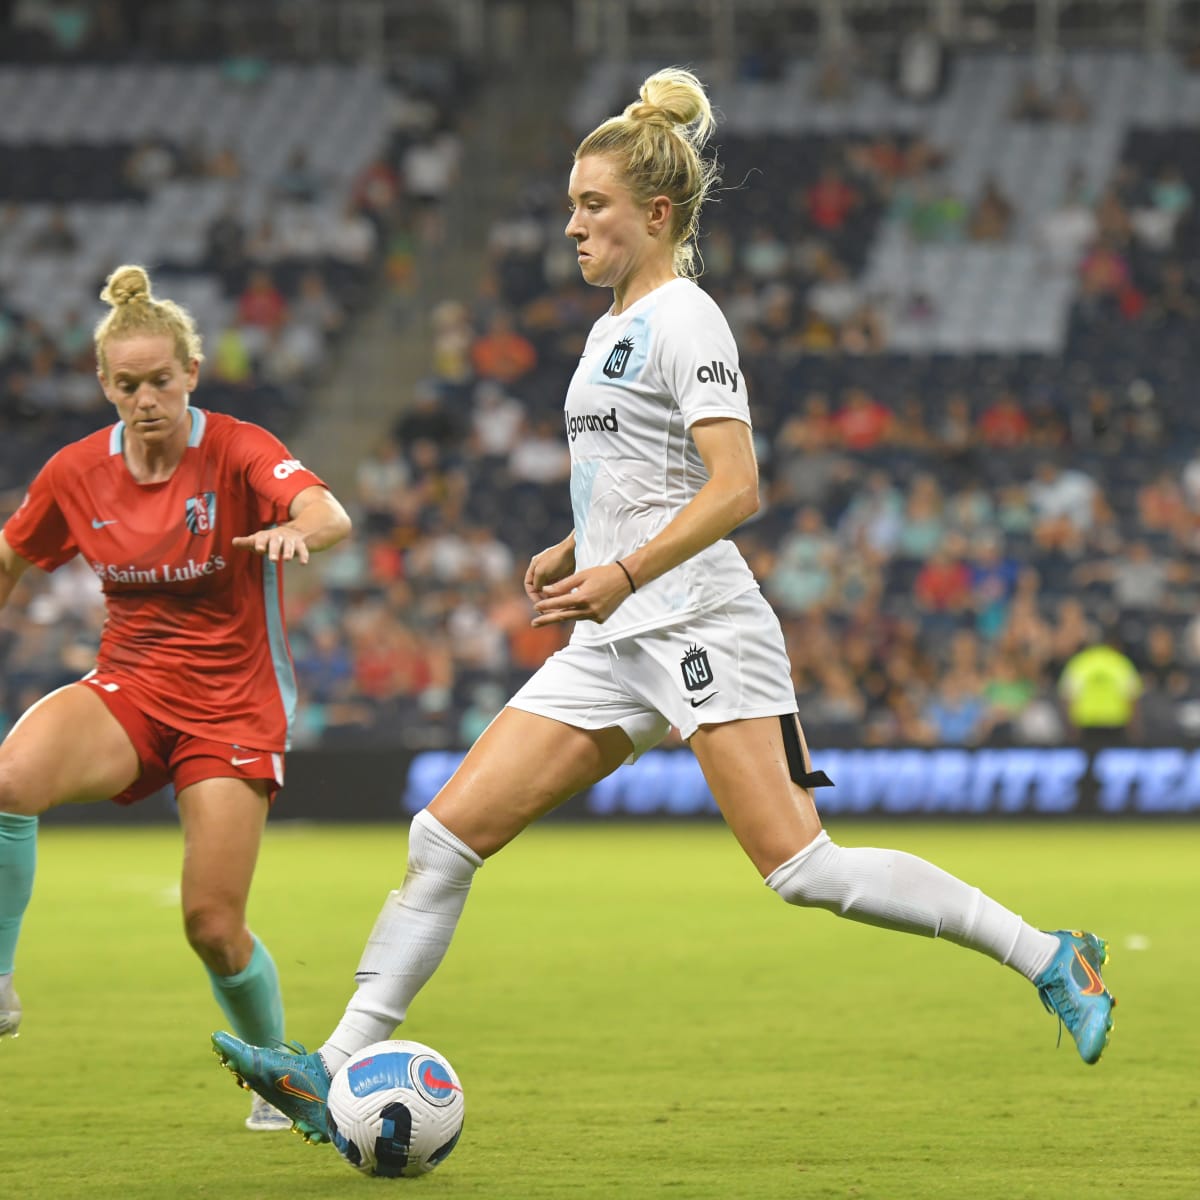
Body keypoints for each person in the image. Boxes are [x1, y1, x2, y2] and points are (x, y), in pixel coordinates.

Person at [213, 68, 1116, 1145]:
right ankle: (332, 1068)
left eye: (591, 206)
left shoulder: (687, 318)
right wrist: (580, 546)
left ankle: (1054, 956)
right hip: (613, 631)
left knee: (802, 869)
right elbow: (641, 481)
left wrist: (627, 570)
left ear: (653, 214)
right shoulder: (612, 328)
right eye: (568, 205)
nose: (571, 225)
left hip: (695, 624)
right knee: (443, 836)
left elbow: (739, 488)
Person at [0, 265, 352, 1132]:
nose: (147, 398)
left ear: (192, 372)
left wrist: (295, 529)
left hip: (235, 708)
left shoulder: (234, 446)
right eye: (129, 385)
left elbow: (328, 512)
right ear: (104, 386)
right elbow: (10, 558)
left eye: (162, 379)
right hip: (130, 686)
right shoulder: (76, 472)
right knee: (9, 781)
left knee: (211, 923)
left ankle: (284, 1077)